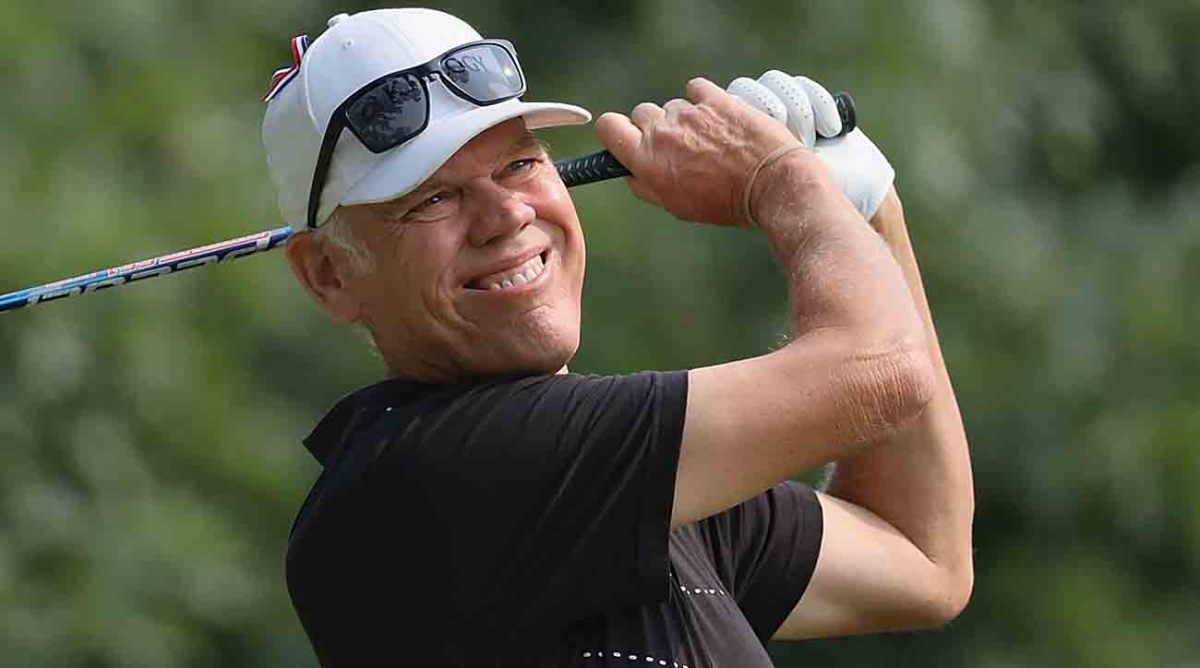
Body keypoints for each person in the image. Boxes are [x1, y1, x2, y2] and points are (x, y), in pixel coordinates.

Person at [262, 7, 974, 667]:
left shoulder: (628, 490)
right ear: (328, 275)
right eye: (433, 198)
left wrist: (869, 209)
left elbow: (923, 558)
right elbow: (882, 369)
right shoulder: (419, 481)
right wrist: (782, 183)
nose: (506, 214)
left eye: (520, 163)